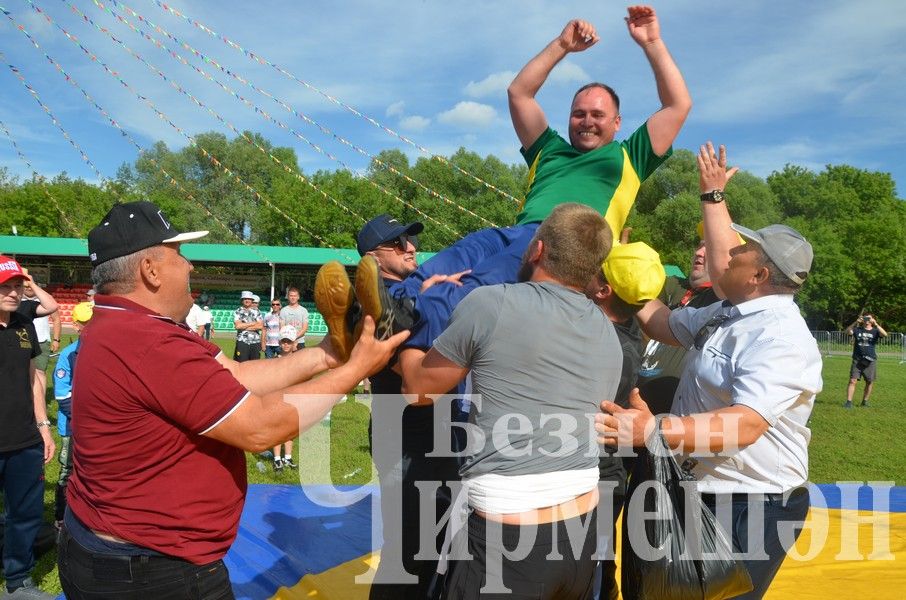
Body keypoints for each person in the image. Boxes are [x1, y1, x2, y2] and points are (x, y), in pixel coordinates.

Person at [57, 200, 406, 599]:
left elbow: (237, 375)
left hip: (107, 548)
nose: (189, 266)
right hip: (152, 571)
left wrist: (328, 355)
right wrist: (355, 369)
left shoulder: (122, 323)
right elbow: (259, 427)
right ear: (150, 270)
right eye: (179, 254)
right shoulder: (151, 344)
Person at [324, 6, 689, 360]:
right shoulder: (549, 150)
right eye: (579, 114)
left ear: (617, 123)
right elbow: (519, 92)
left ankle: (404, 334)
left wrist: (651, 42)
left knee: (476, 284)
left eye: (597, 114)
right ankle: (364, 319)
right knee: (455, 257)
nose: (587, 121)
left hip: (567, 247)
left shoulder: (630, 156)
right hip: (521, 233)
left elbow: (677, 106)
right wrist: (561, 44)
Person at [600, 143, 822, 599]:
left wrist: (653, 430)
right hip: (695, 488)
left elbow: (743, 425)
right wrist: (625, 273)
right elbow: (664, 324)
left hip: (750, 506)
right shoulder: (728, 311)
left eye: (744, 250)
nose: (731, 252)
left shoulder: (780, 337)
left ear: (759, 275)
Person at [400, 204, 621, 599]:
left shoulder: (492, 303)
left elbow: (418, 389)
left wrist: (430, 306)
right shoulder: (607, 331)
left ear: (536, 250)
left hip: (508, 538)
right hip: (583, 532)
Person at [583, 240, 665, 600]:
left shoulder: (600, 343)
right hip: (604, 470)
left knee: (592, 566)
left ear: (603, 289)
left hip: (595, 473)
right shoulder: (628, 327)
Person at [0, 255, 56, 599]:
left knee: (26, 514)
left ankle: (18, 581)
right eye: (4, 286)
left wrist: (43, 427)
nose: (12, 293)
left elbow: (33, 379)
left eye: (16, 286)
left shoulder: (22, 323)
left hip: (23, 440)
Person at [636, 222, 721, 414]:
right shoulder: (672, 284)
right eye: (699, 245)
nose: (699, 253)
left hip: (667, 424)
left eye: (710, 248)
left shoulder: (721, 303)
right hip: (624, 404)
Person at [53, 301, 94, 530]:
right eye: (86, 323)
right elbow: (62, 397)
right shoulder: (68, 355)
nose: (91, 326)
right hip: (72, 427)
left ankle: (88, 515)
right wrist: (82, 423)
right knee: (68, 470)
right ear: (77, 325)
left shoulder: (103, 352)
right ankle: (61, 517)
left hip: (97, 428)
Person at [16, 271, 61, 404]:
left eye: (31, 286)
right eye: (26, 286)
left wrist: (56, 339)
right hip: (20, 342)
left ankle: (39, 402)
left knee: (40, 373)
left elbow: (55, 316)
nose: (29, 288)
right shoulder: (17, 300)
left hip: (41, 342)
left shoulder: (39, 302)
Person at [843, 313, 888, 408]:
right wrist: (855, 322)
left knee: (869, 381)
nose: (867, 320)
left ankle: (865, 401)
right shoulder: (857, 329)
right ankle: (848, 402)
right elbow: (847, 332)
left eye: (869, 318)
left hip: (870, 360)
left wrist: (876, 324)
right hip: (857, 359)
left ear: (872, 320)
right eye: (865, 318)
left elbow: (885, 334)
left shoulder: (875, 331)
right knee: (852, 380)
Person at [272, 326, 299, 472]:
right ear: (280, 343)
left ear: (294, 343)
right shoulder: (275, 361)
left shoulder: (298, 361)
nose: (286, 345)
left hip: (293, 399)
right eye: (284, 342)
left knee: (290, 430)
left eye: (289, 342)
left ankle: (288, 457)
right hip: (277, 399)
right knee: (277, 430)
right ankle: (277, 459)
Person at [233, 290, 262, 361]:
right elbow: (237, 326)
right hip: (242, 341)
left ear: (252, 300)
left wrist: (243, 326)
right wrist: (253, 323)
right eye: (245, 299)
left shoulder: (257, 311)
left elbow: (261, 326)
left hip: (255, 342)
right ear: (242, 300)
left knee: (254, 364)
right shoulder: (238, 311)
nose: (247, 300)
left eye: (249, 299)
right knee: (242, 363)